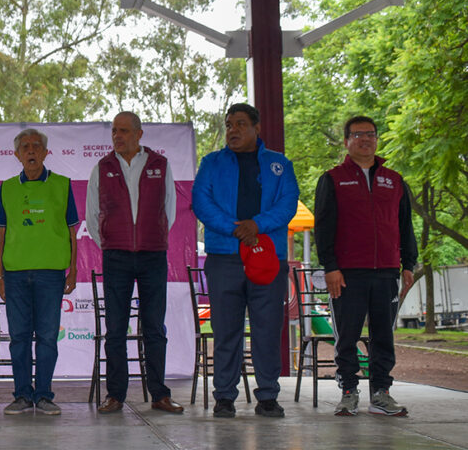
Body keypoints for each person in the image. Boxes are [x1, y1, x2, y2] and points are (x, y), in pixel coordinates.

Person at [191, 103, 299, 418]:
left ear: (256, 128)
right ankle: (224, 397)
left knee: (267, 328)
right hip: (225, 256)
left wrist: (257, 226)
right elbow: (202, 202)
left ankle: (267, 396)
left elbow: (288, 203)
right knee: (226, 329)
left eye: (240, 124)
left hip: (267, 258)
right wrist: (237, 229)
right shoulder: (211, 163)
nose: (232, 130)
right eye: (228, 125)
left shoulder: (280, 164)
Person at [314, 116, 417, 417]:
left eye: (370, 134)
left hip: (386, 272)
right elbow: (323, 226)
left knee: (383, 335)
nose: (365, 139)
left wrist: (408, 263)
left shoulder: (394, 180)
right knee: (347, 335)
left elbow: (404, 226)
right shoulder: (332, 179)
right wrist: (330, 266)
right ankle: (348, 391)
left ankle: (381, 393)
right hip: (347, 274)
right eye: (358, 135)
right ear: (346, 141)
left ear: (376, 139)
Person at [86, 111, 183, 415]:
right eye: (114, 130)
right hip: (116, 256)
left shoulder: (159, 164)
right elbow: (91, 215)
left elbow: (169, 209)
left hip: (153, 256)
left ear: (139, 134)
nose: (118, 136)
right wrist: (112, 244)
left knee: (154, 327)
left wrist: (151, 240)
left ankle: (160, 394)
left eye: (124, 131)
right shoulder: (102, 167)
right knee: (115, 328)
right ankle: (115, 394)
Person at [0, 128, 79, 416]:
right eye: (25, 147)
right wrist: (0, 275)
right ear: (17, 154)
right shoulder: (6, 188)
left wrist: (73, 270)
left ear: (45, 153)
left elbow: (72, 233)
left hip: (51, 273)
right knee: (18, 338)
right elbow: (0, 236)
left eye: (36, 147)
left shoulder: (63, 185)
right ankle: (21, 395)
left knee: (46, 338)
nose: (31, 151)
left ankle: (43, 395)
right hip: (15, 273)